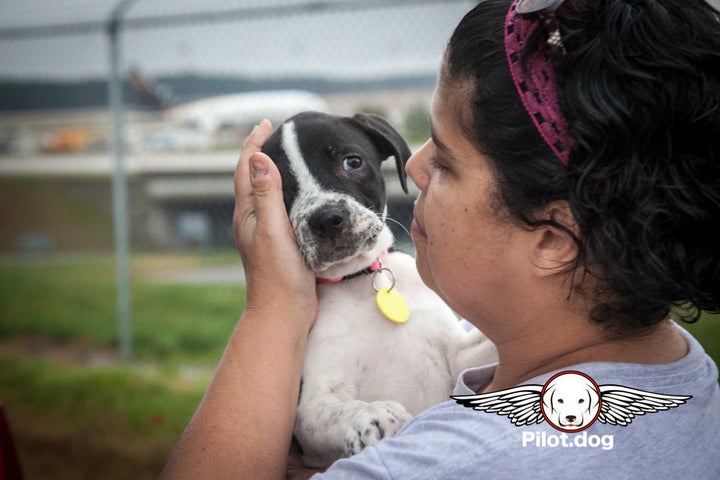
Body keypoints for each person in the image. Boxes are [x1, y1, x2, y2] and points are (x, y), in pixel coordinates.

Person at [161, 0, 720, 478]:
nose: (415, 166)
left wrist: (270, 306)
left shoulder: (426, 466)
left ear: (554, 240)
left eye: (447, 160)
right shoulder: (690, 378)